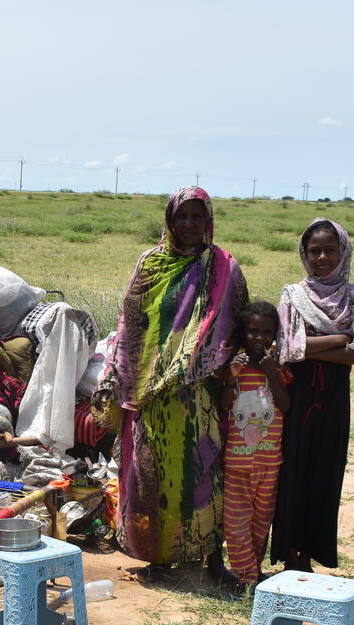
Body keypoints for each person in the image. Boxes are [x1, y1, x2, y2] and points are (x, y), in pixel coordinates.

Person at [92, 187, 247, 584]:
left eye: (197, 216)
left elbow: (236, 322)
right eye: (182, 217)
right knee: (151, 473)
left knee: (205, 471)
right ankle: (158, 554)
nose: (189, 224)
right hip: (149, 392)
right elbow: (130, 322)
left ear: (208, 220)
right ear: (169, 220)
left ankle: (212, 558)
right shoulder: (151, 263)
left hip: (200, 392)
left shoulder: (224, 267)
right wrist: (120, 377)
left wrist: (212, 363)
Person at [272, 218, 354, 572]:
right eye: (314, 251)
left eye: (330, 250)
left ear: (343, 252)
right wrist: (338, 339)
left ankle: (312, 554)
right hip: (295, 396)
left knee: (325, 472)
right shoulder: (292, 295)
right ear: (304, 254)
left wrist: (306, 347)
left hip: (333, 399)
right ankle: (291, 555)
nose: (322, 257)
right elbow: (285, 348)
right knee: (293, 469)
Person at [221, 301, 292, 592]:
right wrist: (230, 379)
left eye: (266, 332)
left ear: (275, 335)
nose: (259, 338)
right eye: (252, 332)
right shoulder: (234, 368)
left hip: (269, 462)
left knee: (261, 524)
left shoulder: (278, 368)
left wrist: (271, 372)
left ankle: (253, 572)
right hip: (237, 464)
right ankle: (247, 578)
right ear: (243, 334)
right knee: (237, 525)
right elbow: (223, 406)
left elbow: (285, 407)